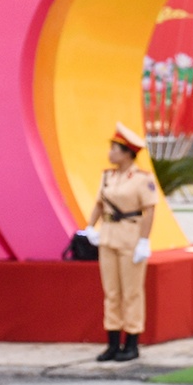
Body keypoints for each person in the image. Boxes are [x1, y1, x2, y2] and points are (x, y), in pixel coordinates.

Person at [77, 123, 159, 363]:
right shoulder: (107, 176)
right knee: (111, 292)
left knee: (131, 292)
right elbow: (99, 205)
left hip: (130, 237)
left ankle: (131, 342)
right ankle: (113, 342)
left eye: (114, 149)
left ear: (126, 153)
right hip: (109, 236)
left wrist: (144, 241)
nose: (110, 153)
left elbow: (149, 211)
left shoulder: (143, 179)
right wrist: (90, 228)